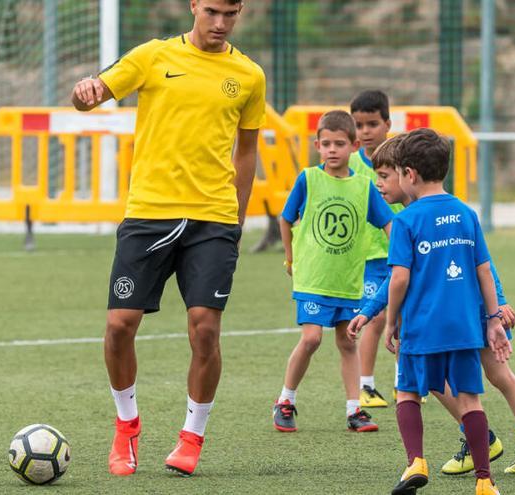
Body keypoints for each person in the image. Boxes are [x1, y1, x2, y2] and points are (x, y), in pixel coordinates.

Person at [70, 0, 265, 477]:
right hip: (149, 214)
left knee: (205, 327)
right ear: (194, 5)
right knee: (120, 325)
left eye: (231, 14)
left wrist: (235, 220)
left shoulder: (249, 75)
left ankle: (191, 436)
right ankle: (126, 427)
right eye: (213, 11)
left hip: (213, 219)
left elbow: (247, 151)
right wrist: (85, 93)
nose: (221, 23)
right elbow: (91, 95)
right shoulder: (153, 56)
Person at [350, 136, 515, 477]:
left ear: (408, 175)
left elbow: (481, 266)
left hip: (463, 309)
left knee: (452, 377)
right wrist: (371, 309)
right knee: (489, 377)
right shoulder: (449, 212)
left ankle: (483, 439)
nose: (380, 186)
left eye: (386, 177)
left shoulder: (412, 219)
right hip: (470, 309)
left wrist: (498, 306)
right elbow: (467, 264)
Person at [379, 128, 510, 495]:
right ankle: (485, 481)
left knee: (407, 393)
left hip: (422, 325)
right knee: (469, 399)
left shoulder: (406, 221)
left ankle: (416, 462)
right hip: (465, 326)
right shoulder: (466, 213)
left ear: (410, 174)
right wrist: (494, 319)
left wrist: (391, 321)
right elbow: (484, 270)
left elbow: (400, 278)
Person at [270, 110, 393, 434]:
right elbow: (286, 218)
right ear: (317, 145)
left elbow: (388, 222)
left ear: (354, 146)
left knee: (347, 341)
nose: (332, 150)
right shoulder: (308, 179)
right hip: (313, 277)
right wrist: (290, 258)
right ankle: (285, 400)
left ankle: (355, 410)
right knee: (311, 339)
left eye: (339, 143)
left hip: (347, 279)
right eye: (326, 144)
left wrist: (400, 255)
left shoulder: (364, 187)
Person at [348, 90, 403, 408]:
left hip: (399, 251)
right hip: (366, 254)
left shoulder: (400, 157)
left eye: (372, 124)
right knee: (375, 317)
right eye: (359, 125)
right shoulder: (350, 163)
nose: (365, 131)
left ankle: (403, 382)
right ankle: (366, 385)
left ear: (387, 123)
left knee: (406, 317)